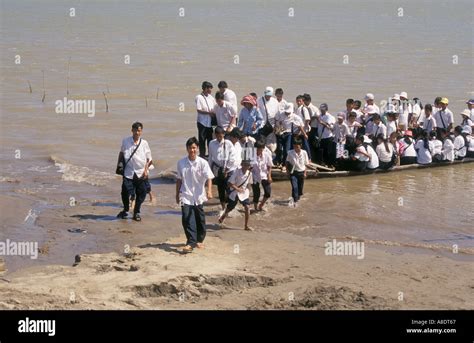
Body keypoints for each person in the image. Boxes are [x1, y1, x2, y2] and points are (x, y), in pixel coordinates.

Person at [176, 137, 214, 253]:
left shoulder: (203, 163)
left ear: (197, 148)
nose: (192, 150)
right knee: (186, 218)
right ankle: (191, 242)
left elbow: (209, 177)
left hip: (198, 195)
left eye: (194, 148)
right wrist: (177, 194)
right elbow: (179, 179)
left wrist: (209, 191)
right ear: (187, 149)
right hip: (185, 194)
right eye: (190, 148)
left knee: (200, 219)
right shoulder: (181, 163)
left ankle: (199, 239)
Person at [117, 122, 152, 222]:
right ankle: (126, 210)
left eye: (139, 130)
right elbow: (121, 153)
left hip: (141, 172)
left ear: (141, 132)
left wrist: (146, 170)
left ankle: (136, 212)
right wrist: (119, 166)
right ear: (132, 130)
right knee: (125, 191)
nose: (137, 132)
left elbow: (148, 158)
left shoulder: (144, 143)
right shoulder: (126, 141)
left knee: (142, 193)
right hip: (128, 172)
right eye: (135, 130)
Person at [218, 159, 253, 231]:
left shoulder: (249, 174)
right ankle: (223, 216)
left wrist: (248, 191)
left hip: (243, 193)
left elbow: (249, 184)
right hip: (235, 192)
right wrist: (237, 189)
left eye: (248, 165)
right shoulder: (237, 172)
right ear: (242, 165)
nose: (246, 167)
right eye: (245, 165)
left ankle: (246, 226)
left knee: (247, 207)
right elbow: (229, 183)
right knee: (230, 207)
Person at [208, 126, 236, 210]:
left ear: (223, 134)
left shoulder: (228, 143)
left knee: (229, 190)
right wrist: (209, 171)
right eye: (217, 136)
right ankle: (223, 208)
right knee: (220, 190)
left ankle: (230, 207)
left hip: (228, 170)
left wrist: (226, 170)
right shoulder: (211, 143)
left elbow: (232, 158)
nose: (219, 138)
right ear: (214, 135)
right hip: (218, 170)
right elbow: (210, 158)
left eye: (220, 136)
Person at [275, 102, 306, 171]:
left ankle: (284, 164)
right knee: (279, 149)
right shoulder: (281, 114)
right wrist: (277, 127)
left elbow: (300, 125)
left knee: (286, 150)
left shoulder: (295, 117)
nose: (287, 113)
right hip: (280, 133)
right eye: (286, 112)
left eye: (289, 112)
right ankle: (278, 162)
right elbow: (276, 121)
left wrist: (304, 134)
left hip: (288, 134)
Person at [195, 81, 216, 157]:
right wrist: (208, 113)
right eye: (210, 88)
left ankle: (210, 156)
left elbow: (215, 108)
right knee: (202, 140)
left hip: (210, 123)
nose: (211, 90)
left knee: (210, 141)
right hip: (202, 123)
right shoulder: (199, 97)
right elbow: (198, 110)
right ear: (205, 88)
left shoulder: (211, 98)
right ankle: (202, 155)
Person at [286, 138, 309, 206]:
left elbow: (306, 164)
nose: (296, 148)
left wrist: (305, 173)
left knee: (300, 189)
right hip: (293, 173)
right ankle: (295, 202)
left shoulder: (304, 152)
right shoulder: (290, 152)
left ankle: (296, 198)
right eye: (294, 147)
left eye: (297, 147)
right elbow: (287, 162)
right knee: (294, 187)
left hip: (301, 172)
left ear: (300, 145)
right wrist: (287, 172)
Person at [251, 140, 273, 211]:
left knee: (268, 192)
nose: (259, 151)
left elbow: (269, 165)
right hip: (254, 176)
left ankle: (261, 204)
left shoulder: (266, 155)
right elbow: (248, 167)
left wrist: (269, 176)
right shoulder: (251, 155)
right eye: (257, 149)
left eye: (260, 149)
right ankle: (255, 208)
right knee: (256, 193)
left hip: (264, 175)